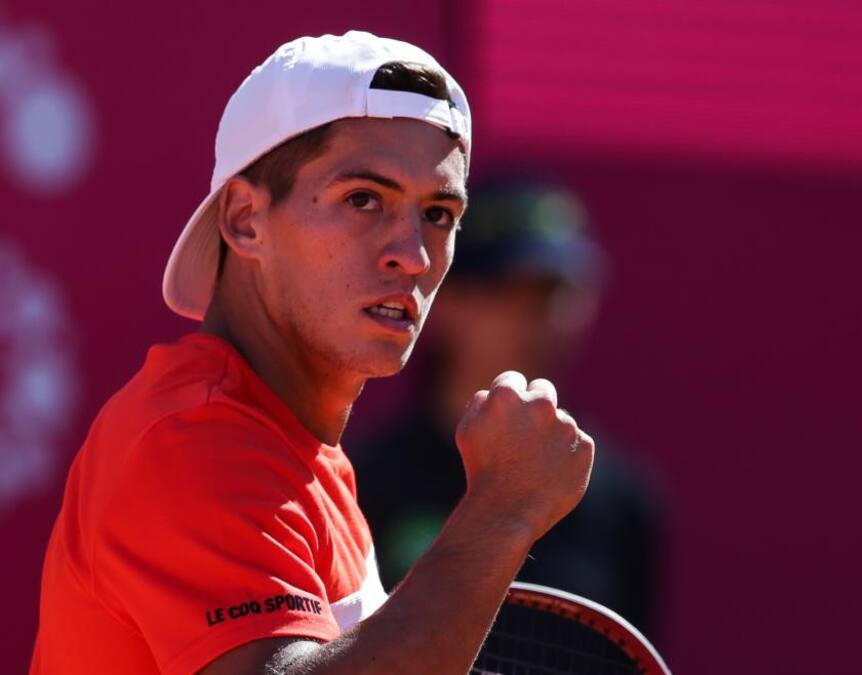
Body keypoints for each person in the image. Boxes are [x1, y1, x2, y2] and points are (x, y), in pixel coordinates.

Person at [30, 31, 594, 675]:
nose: (411, 254)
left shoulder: (300, 449)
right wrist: (503, 509)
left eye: (438, 214)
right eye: (363, 199)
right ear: (245, 219)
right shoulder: (194, 437)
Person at [353, 176, 666, 636]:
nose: (541, 319)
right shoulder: (358, 486)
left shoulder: (625, 504)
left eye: (556, 293)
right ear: (443, 298)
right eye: (507, 291)